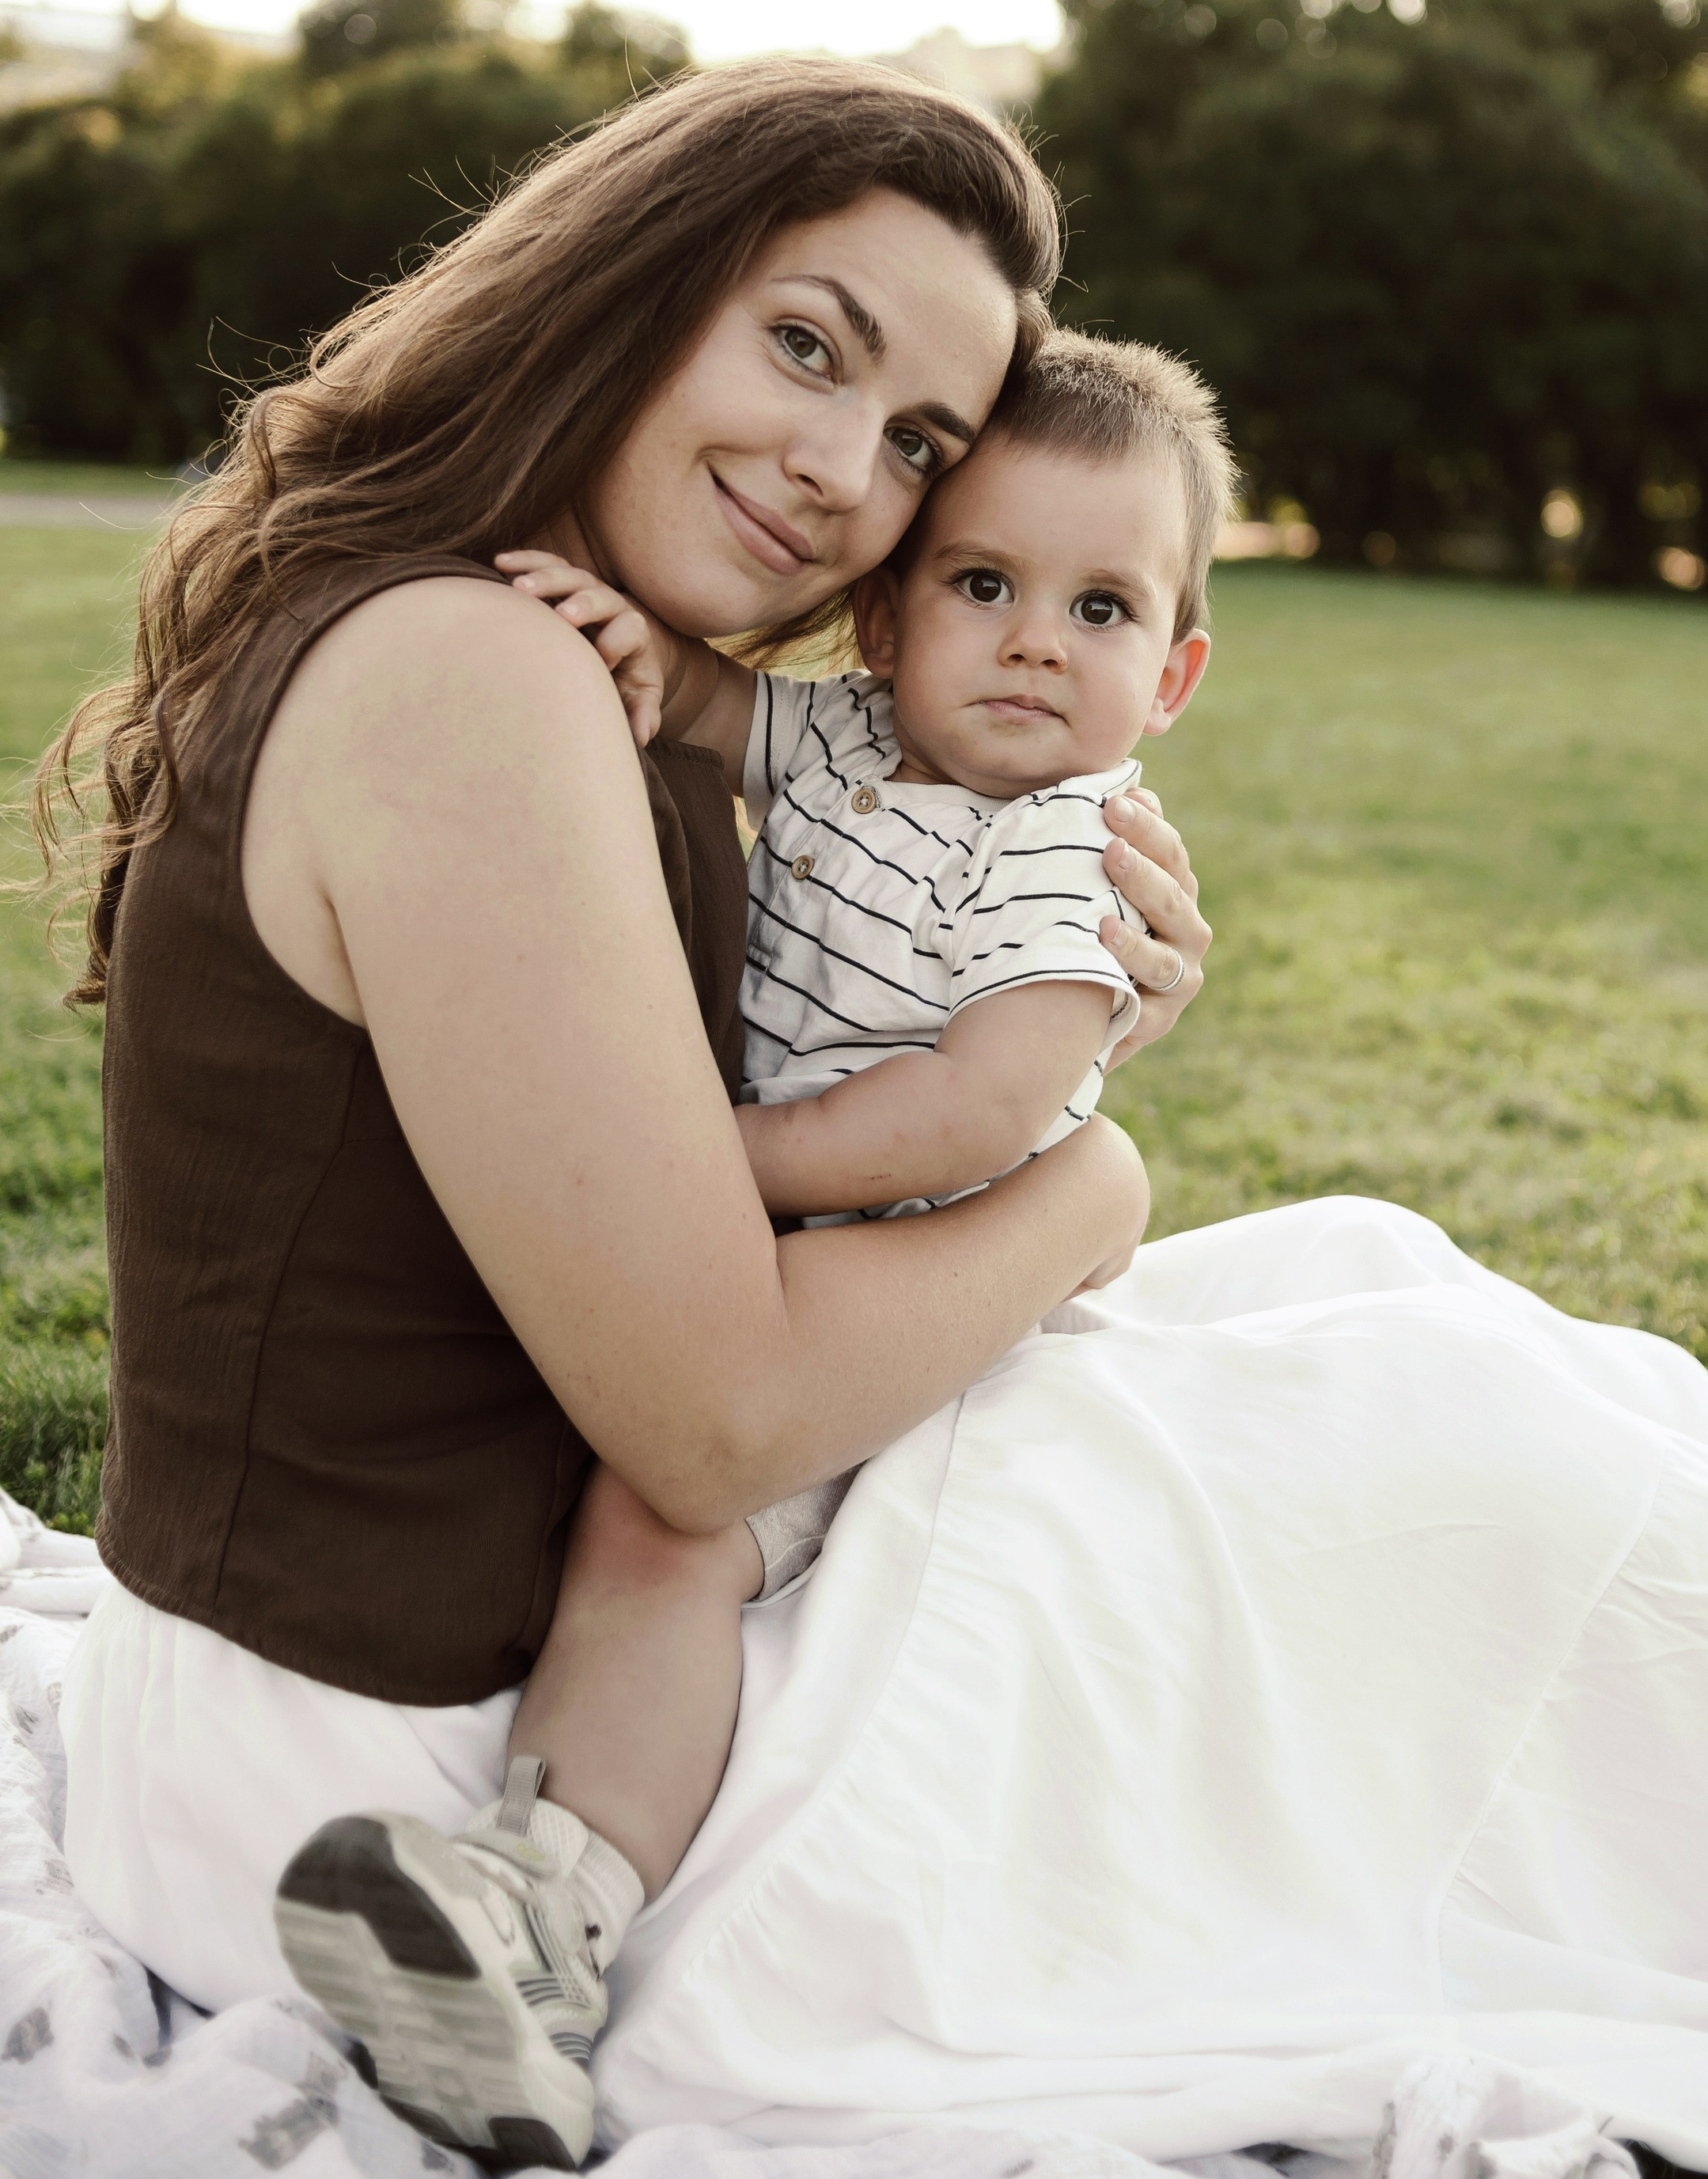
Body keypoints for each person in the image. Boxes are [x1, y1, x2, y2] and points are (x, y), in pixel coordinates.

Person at [46, 61, 1211, 2161]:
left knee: (1366, 1347)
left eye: (919, 441)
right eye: (803, 345)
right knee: (1367, 1436)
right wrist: (1100, 1173)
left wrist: (1048, 986)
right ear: (633, 278)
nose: (846, 469)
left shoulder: (564, 645)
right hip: (405, 1795)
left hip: (432, 1684)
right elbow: (713, 1424)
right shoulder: (471, 679)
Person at [271, 332, 1229, 2162]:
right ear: (885, 624)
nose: (1036, 639)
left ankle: (543, 1915)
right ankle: (518, 1898)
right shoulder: (851, 738)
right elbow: (718, 713)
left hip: (893, 1266)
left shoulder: (1061, 846)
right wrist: (635, 654)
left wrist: (711, 1160)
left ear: (1169, 672)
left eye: (1100, 607)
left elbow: (978, 1104)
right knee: (633, 1508)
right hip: (787, 1241)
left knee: (665, 1526)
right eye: (981, 583)